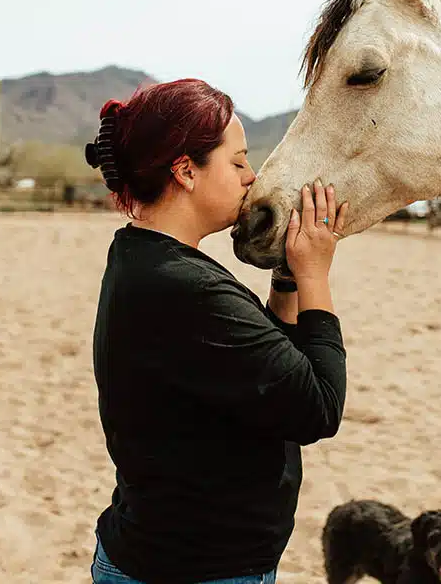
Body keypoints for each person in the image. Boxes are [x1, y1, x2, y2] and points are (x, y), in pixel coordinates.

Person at [83, 78, 350, 584]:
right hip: (197, 570)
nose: (252, 176)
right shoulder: (185, 289)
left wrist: (288, 278)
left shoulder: (144, 259)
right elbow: (318, 406)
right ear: (185, 170)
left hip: (163, 555)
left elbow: (262, 372)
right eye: (238, 161)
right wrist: (316, 274)